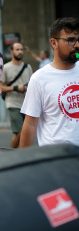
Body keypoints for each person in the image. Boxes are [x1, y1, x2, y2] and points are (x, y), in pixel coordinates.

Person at [20, 17, 79, 148]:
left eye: (78, 40)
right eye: (70, 40)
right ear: (54, 43)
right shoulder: (39, 79)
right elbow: (30, 124)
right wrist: (23, 161)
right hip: (57, 160)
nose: (77, 45)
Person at [0, 42, 33, 148]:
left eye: (21, 50)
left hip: (26, 104)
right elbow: (0, 88)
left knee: (26, 134)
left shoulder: (28, 67)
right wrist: (16, 88)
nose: (20, 52)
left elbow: (32, 84)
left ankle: (22, 155)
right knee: (19, 133)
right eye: (17, 50)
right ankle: (11, 154)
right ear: (12, 51)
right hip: (13, 103)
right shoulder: (5, 67)